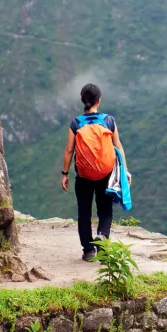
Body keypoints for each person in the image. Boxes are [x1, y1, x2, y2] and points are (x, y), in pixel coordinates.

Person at [62, 83, 131, 261]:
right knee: (105, 211)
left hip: (83, 176)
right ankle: (102, 240)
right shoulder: (109, 121)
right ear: (98, 101)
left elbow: (69, 151)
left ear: (82, 101)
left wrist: (65, 174)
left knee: (84, 212)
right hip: (105, 175)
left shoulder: (76, 123)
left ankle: (88, 250)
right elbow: (118, 146)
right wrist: (125, 171)